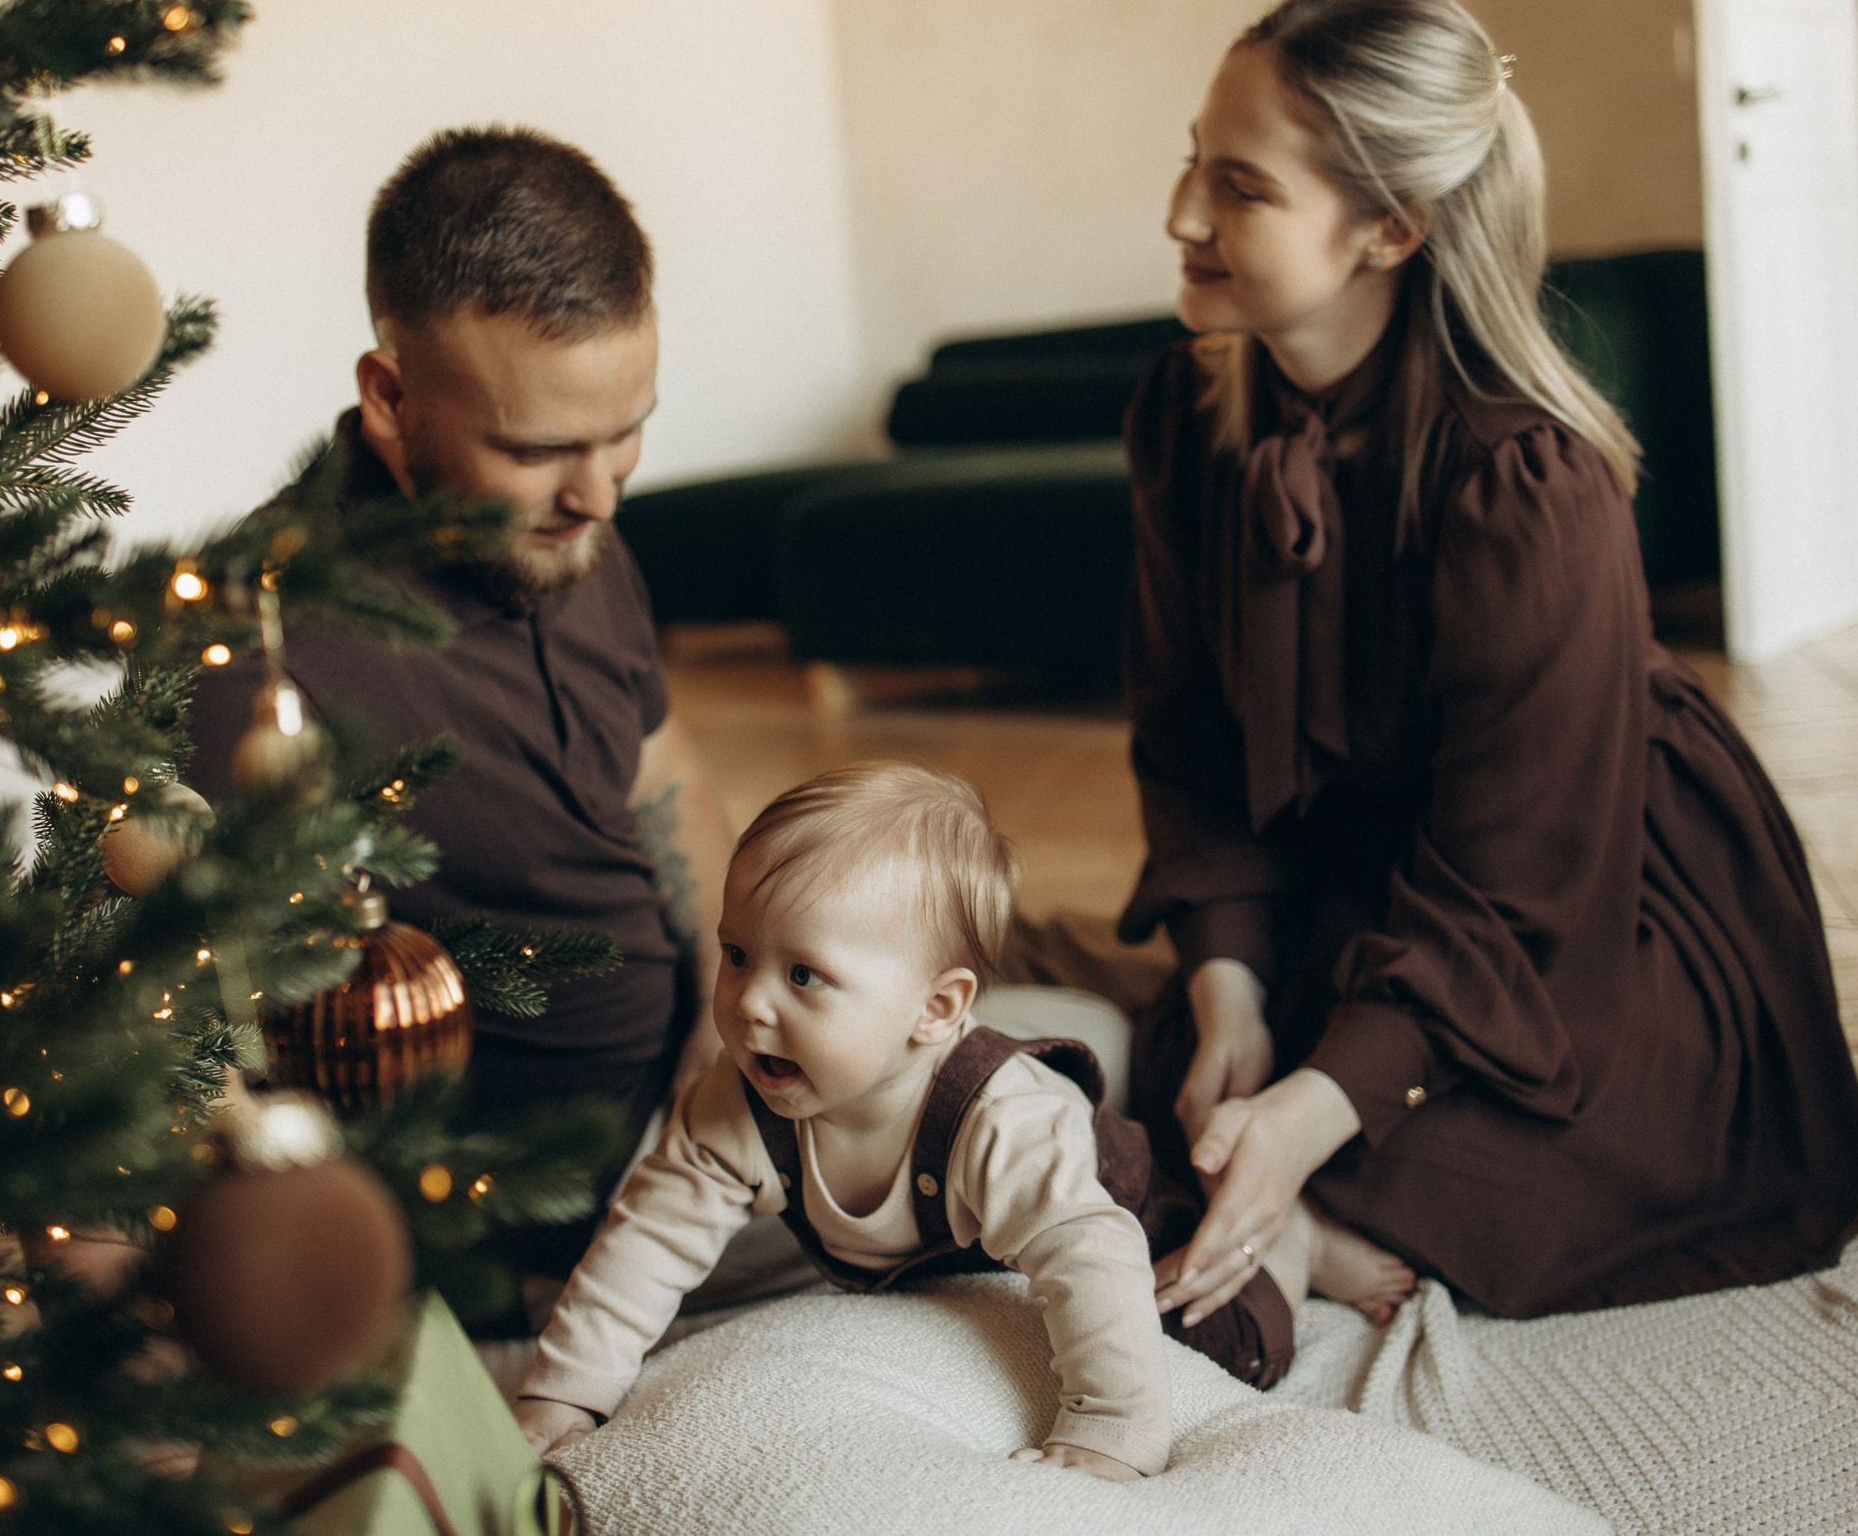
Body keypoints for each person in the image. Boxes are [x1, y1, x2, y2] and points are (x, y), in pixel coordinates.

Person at [1119, 0, 1858, 1337]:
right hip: (1361, 862)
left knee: (1476, 1123)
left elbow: (1520, 889)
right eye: (1191, 158)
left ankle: (1323, 1217)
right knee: (1207, 1067)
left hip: (1580, 904)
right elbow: (1187, 734)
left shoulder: (1525, 484)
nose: (1182, 213)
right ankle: (1309, 1192)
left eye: (1237, 185)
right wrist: (1228, 974)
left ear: (1390, 229)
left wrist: (1315, 1105)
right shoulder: (1189, 417)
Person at [185, 126, 736, 1294]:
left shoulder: (574, 536)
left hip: (715, 1109)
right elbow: (191, 1046)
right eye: (540, 450)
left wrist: (732, 1007)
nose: (596, 494)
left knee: (1059, 1026)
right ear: (391, 398)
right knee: (1041, 1112)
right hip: (554, 1237)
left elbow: (666, 787)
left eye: (625, 430)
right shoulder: (263, 642)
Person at [516, 763, 1328, 1482]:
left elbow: (1090, 1257)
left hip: (1146, 1233)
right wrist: (565, 1389)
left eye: (804, 974)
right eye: (736, 955)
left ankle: (1306, 1240)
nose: (750, 1002)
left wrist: (1113, 1426)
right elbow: (647, 1239)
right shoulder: (741, 1098)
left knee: (1219, 1333)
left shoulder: (1001, 1117)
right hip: (971, 1268)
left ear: (936, 1010)